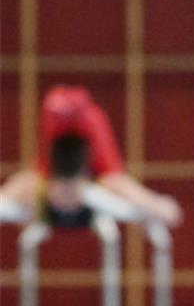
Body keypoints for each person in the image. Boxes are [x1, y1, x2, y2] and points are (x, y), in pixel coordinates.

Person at [0, 85, 182, 228]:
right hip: (57, 120)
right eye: (65, 194)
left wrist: (156, 206)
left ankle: (68, 104)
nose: (66, 204)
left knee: (119, 183)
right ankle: (64, 103)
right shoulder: (37, 181)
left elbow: (121, 184)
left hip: (87, 123)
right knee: (26, 184)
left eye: (69, 194)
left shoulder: (107, 178)